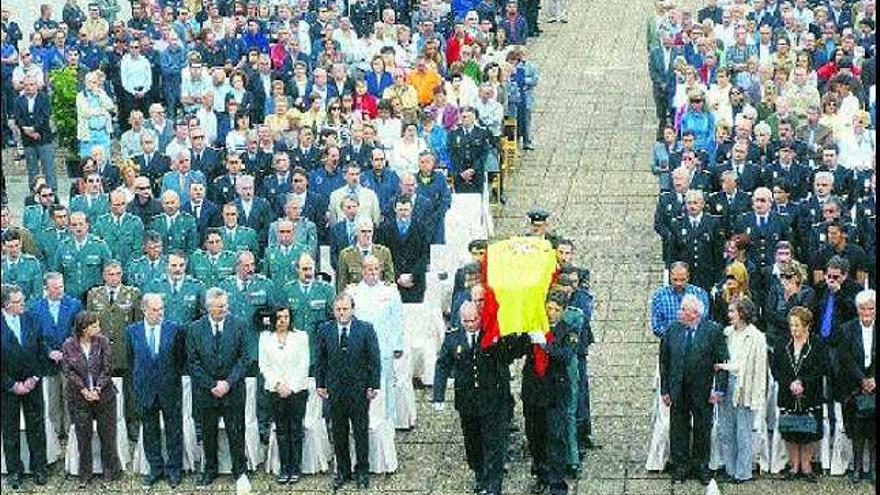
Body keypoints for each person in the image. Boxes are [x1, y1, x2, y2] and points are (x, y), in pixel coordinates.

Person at [433, 301, 522, 495]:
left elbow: (508, 355)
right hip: (467, 402)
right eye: (466, 321)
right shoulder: (453, 338)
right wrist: (438, 395)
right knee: (473, 444)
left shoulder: (491, 335)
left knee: (494, 444)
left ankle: (493, 485)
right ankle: (480, 476)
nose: (471, 324)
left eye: (474, 320)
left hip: (491, 400)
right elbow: (443, 365)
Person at [186, 288, 253, 487]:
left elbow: (244, 358)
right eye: (219, 306)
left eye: (225, 305)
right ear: (208, 308)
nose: (224, 309)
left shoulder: (239, 325)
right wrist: (212, 384)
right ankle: (210, 470)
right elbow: (193, 362)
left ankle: (240, 470)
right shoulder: (195, 329)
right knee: (208, 433)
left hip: (233, 390)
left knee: (236, 431)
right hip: (207, 392)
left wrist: (228, 383)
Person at [660, 294, 729, 485]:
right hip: (678, 389)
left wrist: (719, 389)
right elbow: (664, 362)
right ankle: (680, 465)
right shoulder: (673, 330)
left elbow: (722, 361)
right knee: (678, 428)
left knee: (702, 427)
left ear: (695, 313)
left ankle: (701, 465)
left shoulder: (713, 331)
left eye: (683, 309)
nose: (679, 312)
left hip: (703, 389)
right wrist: (665, 389)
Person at [315, 293, 381, 490]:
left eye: (345, 309)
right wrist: (320, 384)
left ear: (352, 309)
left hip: (359, 390)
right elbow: (320, 360)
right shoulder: (325, 330)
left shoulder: (365, 329)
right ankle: (343, 471)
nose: (341, 313)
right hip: (335, 390)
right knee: (339, 432)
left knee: (360, 431)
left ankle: (362, 471)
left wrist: (373, 385)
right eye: (338, 309)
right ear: (333, 311)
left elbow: (374, 359)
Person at [521, 291, 578, 495]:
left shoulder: (568, 330)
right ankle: (541, 473)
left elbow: (565, 355)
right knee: (535, 435)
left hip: (555, 392)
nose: (552, 313)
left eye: (557, 310)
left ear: (563, 311)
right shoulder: (537, 325)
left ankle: (557, 481)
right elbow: (519, 350)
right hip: (534, 391)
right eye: (549, 308)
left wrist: (545, 344)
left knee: (555, 436)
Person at [125, 293, 184, 488]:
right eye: (155, 310)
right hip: (145, 390)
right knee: (150, 432)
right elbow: (131, 360)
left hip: (169, 389)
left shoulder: (174, 329)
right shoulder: (132, 331)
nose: (159, 313)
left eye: (161, 309)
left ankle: (174, 470)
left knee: (174, 431)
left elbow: (179, 360)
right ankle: (156, 469)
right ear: (144, 310)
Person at [61, 310, 122, 488]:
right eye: (94, 325)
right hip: (79, 398)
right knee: (83, 437)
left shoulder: (102, 342)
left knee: (108, 435)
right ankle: (85, 474)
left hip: (104, 396)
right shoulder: (68, 345)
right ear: (84, 329)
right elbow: (68, 370)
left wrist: (97, 388)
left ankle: (110, 471)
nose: (98, 328)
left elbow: (107, 367)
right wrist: (83, 390)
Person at [86, 261, 142, 442]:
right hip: (101, 352)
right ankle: (105, 424)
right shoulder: (94, 295)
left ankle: (132, 424)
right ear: (104, 275)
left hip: (124, 351)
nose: (114, 277)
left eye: (118, 274)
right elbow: (89, 325)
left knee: (130, 392)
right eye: (110, 274)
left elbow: (138, 325)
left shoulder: (133, 294)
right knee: (102, 388)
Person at [348, 254, 406, 427]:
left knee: (385, 387)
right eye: (368, 268)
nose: (372, 272)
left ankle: (386, 425)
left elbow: (397, 319)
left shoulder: (390, 291)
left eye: (375, 268)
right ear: (362, 270)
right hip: (359, 350)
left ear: (380, 270)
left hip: (383, 348)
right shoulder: (352, 292)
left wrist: (398, 345)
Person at [771, 306, 826, 483]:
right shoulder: (782, 343)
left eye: (797, 325)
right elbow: (776, 368)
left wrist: (802, 382)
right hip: (788, 393)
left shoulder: (816, 343)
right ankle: (794, 466)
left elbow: (820, 368)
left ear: (807, 325)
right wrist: (790, 383)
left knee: (809, 430)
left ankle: (807, 466)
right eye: (791, 325)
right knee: (790, 429)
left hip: (810, 393)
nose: (793, 329)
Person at [714, 297, 767, 483]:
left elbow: (755, 368)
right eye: (729, 311)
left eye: (733, 311)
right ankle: (729, 468)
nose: (730, 315)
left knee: (743, 431)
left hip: (744, 385)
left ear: (743, 313)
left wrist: (723, 367)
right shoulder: (727, 333)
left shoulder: (756, 337)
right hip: (726, 383)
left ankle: (743, 472)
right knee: (725, 429)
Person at [1, 284, 48, 489]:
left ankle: (39, 468)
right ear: (5, 304)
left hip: (32, 384)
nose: (23, 304)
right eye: (18, 301)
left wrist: (35, 377)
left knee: (36, 426)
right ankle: (14, 471)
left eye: (22, 299)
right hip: (7, 388)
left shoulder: (31, 319)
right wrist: (11, 385)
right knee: (10, 429)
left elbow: (41, 349)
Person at [257, 305, 309, 484]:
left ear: (290, 318)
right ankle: (284, 467)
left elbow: (304, 364)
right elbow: (264, 365)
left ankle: (296, 468)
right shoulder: (265, 338)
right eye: (278, 317)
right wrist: (278, 385)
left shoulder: (301, 337)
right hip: (275, 390)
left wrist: (291, 387)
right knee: (281, 430)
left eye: (286, 317)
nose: (282, 321)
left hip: (297, 391)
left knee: (295, 429)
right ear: (273, 319)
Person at [30, 272, 82, 440]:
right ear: (46, 289)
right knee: (52, 400)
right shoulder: (36, 308)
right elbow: (35, 336)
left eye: (61, 286)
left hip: (70, 360)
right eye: (55, 287)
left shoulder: (74, 305)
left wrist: (66, 351)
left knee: (69, 398)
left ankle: (70, 433)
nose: (59, 290)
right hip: (48, 362)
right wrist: (49, 352)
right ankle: (54, 435)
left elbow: (79, 332)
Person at [837, 290, 875, 485]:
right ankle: (857, 469)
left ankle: (874, 470)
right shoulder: (847, 328)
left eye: (870, 308)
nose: (867, 312)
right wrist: (862, 379)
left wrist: (873, 379)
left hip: (875, 385)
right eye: (862, 308)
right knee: (857, 430)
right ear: (857, 309)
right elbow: (845, 357)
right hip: (854, 385)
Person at [375, 194, 430, 303]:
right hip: (392, 281)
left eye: (406, 209)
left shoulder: (422, 229)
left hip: (415, 282)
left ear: (411, 209)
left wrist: (412, 275)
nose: (403, 212)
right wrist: (398, 276)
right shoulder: (384, 229)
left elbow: (425, 255)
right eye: (400, 209)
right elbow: (383, 257)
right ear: (395, 209)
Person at [13, 75, 56, 190]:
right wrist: (27, 130)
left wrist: (34, 129)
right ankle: (34, 193)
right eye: (26, 85)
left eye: (31, 85)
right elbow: (17, 118)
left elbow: (45, 116)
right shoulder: (18, 100)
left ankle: (53, 193)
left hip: (44, 137)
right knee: (32, 169)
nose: (29, 87)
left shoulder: (44, 98)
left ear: (37, 86)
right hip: (27, 139)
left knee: (48, 168)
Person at [650, 261, 709, 338]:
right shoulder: (659, 296)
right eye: (675, 279)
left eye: (682, 280)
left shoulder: (700, 294)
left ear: (688, 277)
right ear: (670, 277)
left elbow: (704, 321)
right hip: (669, 343)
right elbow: (657, 326)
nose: (679, 283)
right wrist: (674, 337)